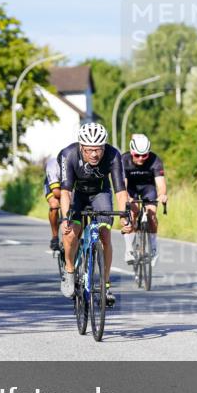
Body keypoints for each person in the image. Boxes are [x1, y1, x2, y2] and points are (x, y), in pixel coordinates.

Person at [58, 122, 132, 306]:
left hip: (100, 193)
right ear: (81, 146)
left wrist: (124, 216)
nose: (94, 154)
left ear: (104, 147)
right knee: (70, 232)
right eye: (89, 150)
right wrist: (66, 217)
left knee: (105, 235)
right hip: (77, 193)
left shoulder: (113, 155)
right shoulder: (69, 155)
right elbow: (65, 192)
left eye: (98, 149)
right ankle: (69, 270)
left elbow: (120, 191)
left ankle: (105, 285)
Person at [121, 133, 168, 266]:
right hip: (130, 189)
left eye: (144, 155)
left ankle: (153, 249)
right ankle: (129, 249)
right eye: (137, 155)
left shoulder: (155, 160)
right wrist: (127, 198)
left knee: (152, 215)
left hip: (148, 187)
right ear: (131, 152)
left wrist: (163, 194)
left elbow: (161, 184)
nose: (141, 158)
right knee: (132, 213)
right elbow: (122, 184)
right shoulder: (124, 160)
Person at [43, 151, 63, 252]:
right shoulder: (52, 165)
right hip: (53, 186)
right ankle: (55, 237)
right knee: (54, 205)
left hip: (68, 184)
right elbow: (56, 192)